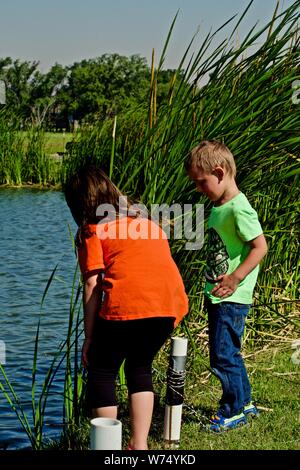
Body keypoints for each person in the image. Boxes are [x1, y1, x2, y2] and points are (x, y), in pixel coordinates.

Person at [63, 165, 188, 449]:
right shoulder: (146, 222)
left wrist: (90, 338)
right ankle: (139, 444)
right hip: (167, 308)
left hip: (128, 306)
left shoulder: (93, 230)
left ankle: (108, 447)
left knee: (102, 370)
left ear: (79, 204)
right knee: (139, 367)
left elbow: (93, 285)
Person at [185, 140, 268, 432]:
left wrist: (235, 278)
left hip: (232, 295)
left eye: (201, 182)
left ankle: (232, 410)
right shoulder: (220, 206)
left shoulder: (238, 208)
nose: (198, 189)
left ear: (219, 173)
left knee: (221, 355)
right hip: (219, 294)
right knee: (229, 351)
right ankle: (244, 403)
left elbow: (260, 247)